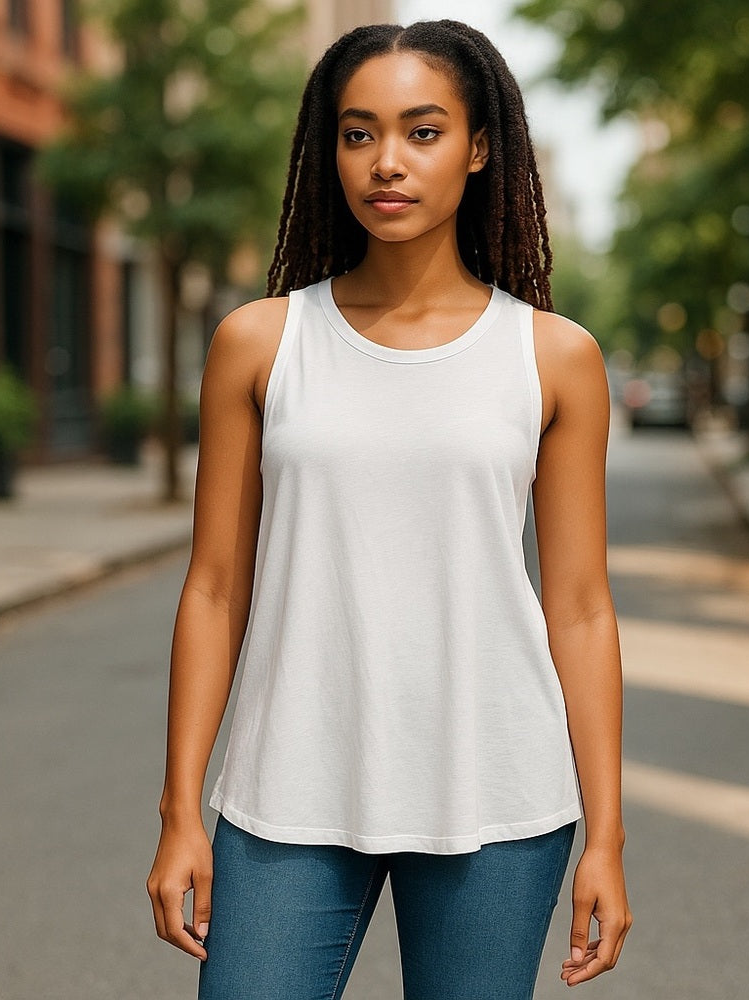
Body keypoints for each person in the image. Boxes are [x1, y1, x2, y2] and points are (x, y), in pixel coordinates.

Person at [146, 19, 631, 999]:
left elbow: (579, 606)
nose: (386, 163)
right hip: (285, 792)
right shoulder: (259, 342)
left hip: (497, 796)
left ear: (479, 147)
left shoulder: (553, 356)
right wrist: (179, 811)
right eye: (357, 133)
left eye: (422, 131)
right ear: (327, 152)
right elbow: (212, 588)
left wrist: (607, 837)